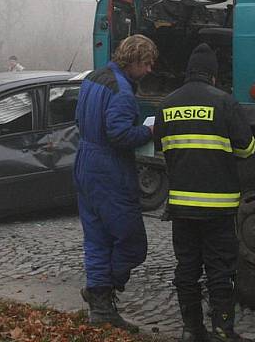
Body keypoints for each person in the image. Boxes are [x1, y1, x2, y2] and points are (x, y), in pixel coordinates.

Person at [153, 43, 255, 342]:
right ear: (213, 75)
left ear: (187, 73)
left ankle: (191, 330)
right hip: (218, 206)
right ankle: (223, 330)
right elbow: (247, 148)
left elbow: (161, 148)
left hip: (181, 206)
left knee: (186, 268)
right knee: (220, 269)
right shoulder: (225, 103)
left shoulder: (166, 104)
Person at [74, 34, 158, 331]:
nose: (149, 70)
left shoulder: (93, 78)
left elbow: (78, 119)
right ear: (133, 60)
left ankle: (99, 306)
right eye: (146, 64)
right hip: (109, 169)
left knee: (97, 237)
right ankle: (103, 291)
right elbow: (120, 135)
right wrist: (149, 132)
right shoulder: (122, 92)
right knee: (132, 242)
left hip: (84, 162)